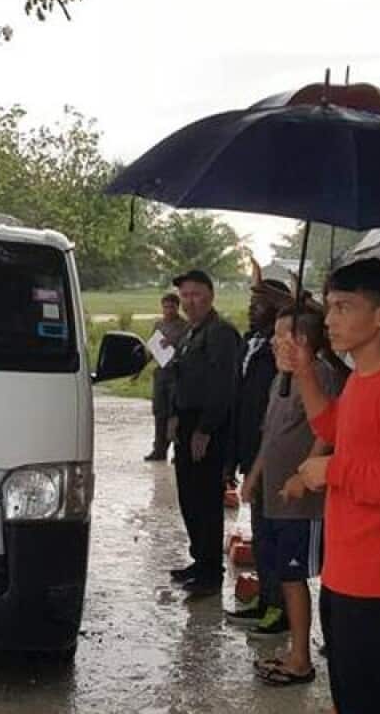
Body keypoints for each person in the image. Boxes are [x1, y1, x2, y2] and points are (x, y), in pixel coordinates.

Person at [282, 257, 380, 714]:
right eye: (329, 307)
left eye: (344, 307)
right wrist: (304, 370)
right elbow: (333, 425)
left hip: (378, 575)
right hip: (347, 568)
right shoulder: (362, 379)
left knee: (377, 697)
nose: (330, 320)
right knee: (351, 692)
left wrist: (332, 471)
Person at [249, 307, 341, 687]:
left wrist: (307, 470)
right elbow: (270, 435)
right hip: (275, 495)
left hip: (302, 502)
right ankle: (295, 650)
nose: (273, 342)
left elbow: (327, 431)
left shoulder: (320, 375)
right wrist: (255, 475)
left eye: (281, 335)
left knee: (295, 575)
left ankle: (302, 658)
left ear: (302, 341)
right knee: (283, 575)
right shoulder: (279, 380)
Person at [165, 270, 243, 598]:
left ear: (210, 295)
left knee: (206, 500)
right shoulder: (190, 332)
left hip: (207, 425)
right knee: (189, 497)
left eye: (196, 294)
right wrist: (173, 416)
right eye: (185, 295)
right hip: (186, 420)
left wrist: (205, 429)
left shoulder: (220, 333)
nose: (189, 301)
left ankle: (211, 572)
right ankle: (199, 561)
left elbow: (223, 385)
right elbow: (180, 376)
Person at [227, 279, 291, 635]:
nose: (252, 307)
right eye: (251, 300)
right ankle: (266, 597)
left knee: (276, 534)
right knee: (262, 532)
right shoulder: (250, 343)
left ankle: (280, 606)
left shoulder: (283, 352)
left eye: (261, 301)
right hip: (252, 449)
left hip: (275, 455)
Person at [146, 293, 188, 462]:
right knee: (159, 412)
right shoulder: (159, 325)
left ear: (177, 307)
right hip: (161, 371)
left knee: (175, 412)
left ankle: (178, 451)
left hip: (177, 373)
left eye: (172, 307)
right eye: (165, 307)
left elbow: (187, 350)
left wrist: (173, 343)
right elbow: (152, 348)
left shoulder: (184, 326)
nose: (168, 310)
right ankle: (159, 449)